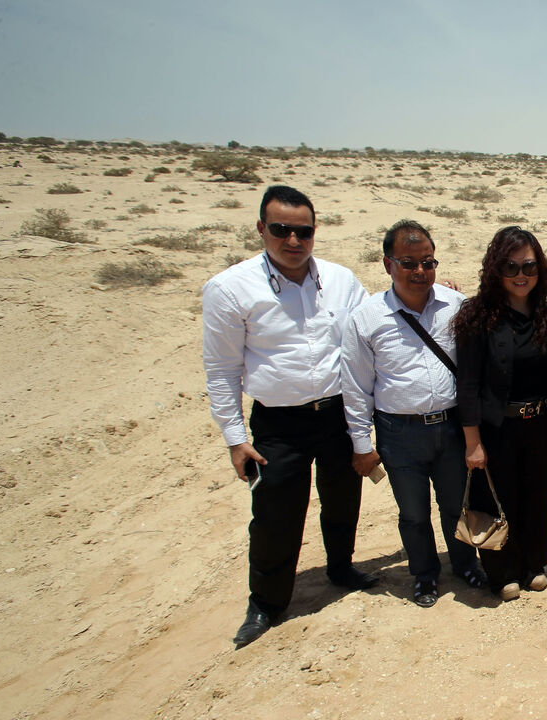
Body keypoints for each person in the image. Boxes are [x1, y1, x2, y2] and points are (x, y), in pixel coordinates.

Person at [202, 185, 376, 649]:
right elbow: (221, 371)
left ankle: (341, 568)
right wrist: (235, 439)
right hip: (278, 424)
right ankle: (266, 602)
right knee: (276, 514)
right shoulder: (230, 289)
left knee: (343, 500)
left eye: (304, 231)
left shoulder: (341, 280)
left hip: (337, 415)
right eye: (281, 230)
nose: (293, 240)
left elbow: (374, 329)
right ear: (261, 229)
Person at [340, 220, 487, 610]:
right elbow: (356, 386)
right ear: (388, 264)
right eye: (409, 263)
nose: (420, 272)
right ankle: (424, 575)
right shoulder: (367, 318)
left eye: (428, 262)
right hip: (398, 432)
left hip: (452, 427)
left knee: (456, 505)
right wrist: (361, 443)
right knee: (413, 512)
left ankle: (464, 563)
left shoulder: (457, 305)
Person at [454, 226, 547, 602]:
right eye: (511, 266)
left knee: (536, 497)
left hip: (538, 423)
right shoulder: (477, 315)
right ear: (495, 270)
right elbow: (467, 384)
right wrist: (473, 443)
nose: (521, 275)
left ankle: (533, 566)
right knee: (499, 498)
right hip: (495, 428)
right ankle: (502, 573)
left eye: (529, 266)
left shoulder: (546, 313)